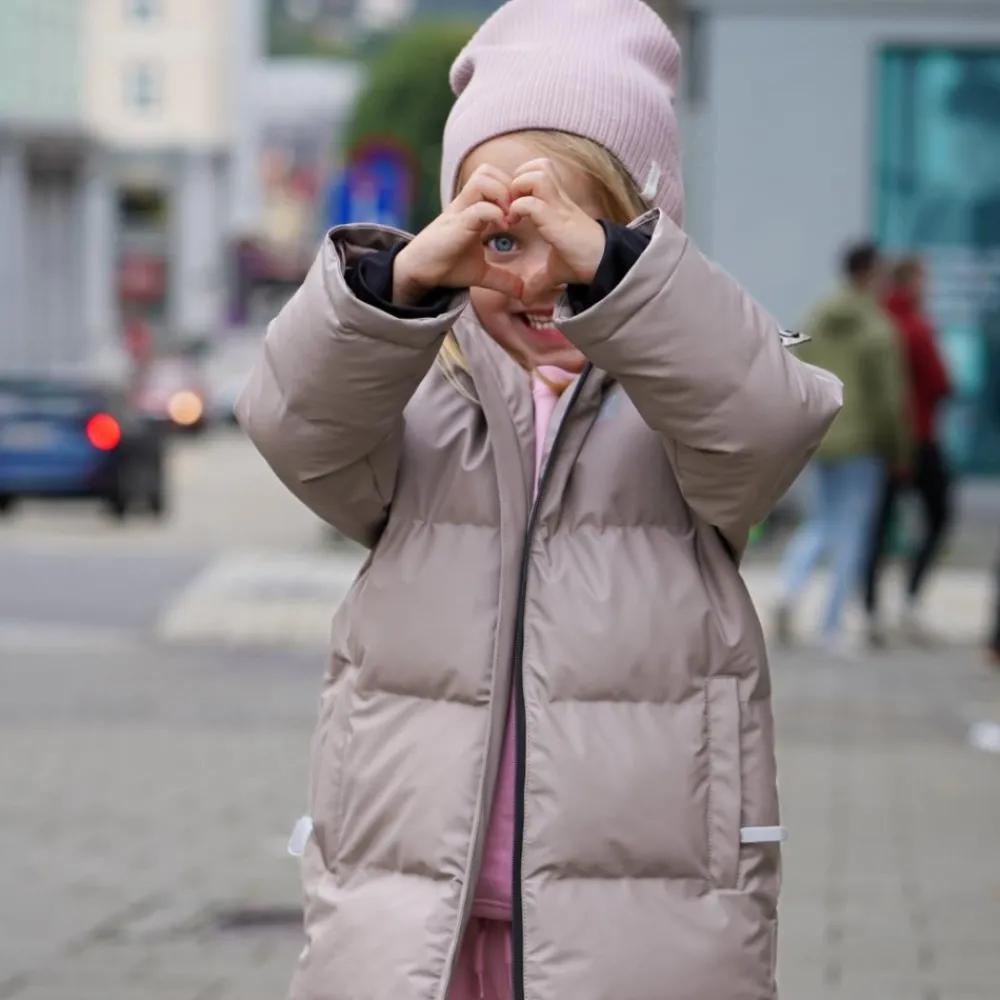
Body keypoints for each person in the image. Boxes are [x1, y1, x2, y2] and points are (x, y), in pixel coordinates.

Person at [236, 2, 842, 999]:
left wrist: (619, 281)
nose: (538, 275)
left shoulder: (684, 394)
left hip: (642, 924)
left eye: (582, 230)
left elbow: (768, 429)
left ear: (647, 238)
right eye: (504, 237)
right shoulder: (414, 388)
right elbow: (295, 427)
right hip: (416, 914)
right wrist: (397, 285)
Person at [773, 243, 910, 655]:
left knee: (821, 522)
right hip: (862, 442)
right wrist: (899, 448)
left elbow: (793, 366)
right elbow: (889, 399)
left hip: (822, 436)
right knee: (852, 533)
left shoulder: (816, 317)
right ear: (870, 273)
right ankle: (830, 626)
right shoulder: (877, 328)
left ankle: (788, 588)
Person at [863, 256, 953, 646]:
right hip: (918, 437)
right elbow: (940, 381)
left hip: (881, 440)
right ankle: (910, 600)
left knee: (877, 527)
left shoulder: (876, 321)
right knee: (938, 515)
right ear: (909, 283)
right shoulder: (914, 327)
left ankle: (870, 609)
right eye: (923, 280)